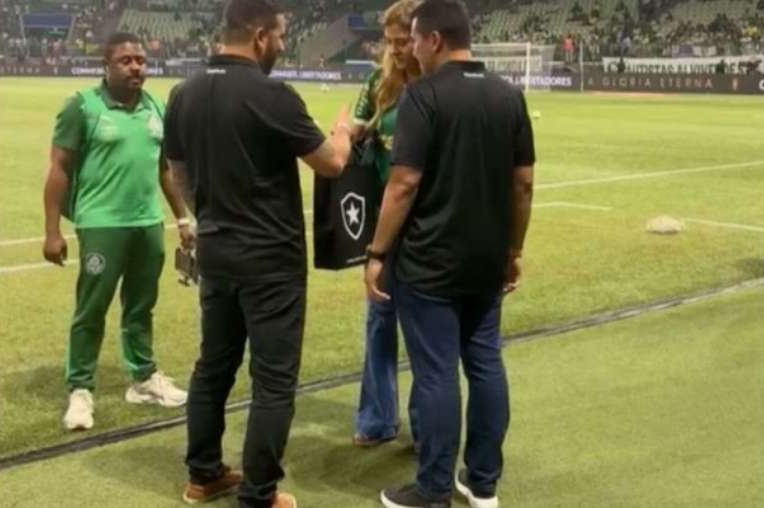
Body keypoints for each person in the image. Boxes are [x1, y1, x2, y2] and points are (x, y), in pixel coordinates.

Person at [163, 1, 351, 506]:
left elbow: (178, 172)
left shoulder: (184, 93)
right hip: (271, 260)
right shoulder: (272, 95)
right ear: (261, 35)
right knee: (273, 380)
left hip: (217, 251)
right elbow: (331, 164)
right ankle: (259, 494)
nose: (284, 44)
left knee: (213, 366)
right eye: (282, 36)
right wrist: (344, 132)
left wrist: (205, 214)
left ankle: (203, 476)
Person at [363, 1, 536, 507]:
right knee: (485, 364)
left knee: (436, 373)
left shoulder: (423, 96)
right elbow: (522, 183)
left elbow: (403, 183)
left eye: (415, 40)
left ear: (435, 39)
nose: (411, 49)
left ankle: (434, 488)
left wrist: (376, 253)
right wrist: (514, 249)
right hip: (487, 260)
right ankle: (482, 484)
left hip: (428, 262)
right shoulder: (510, 96)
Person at [42, 32, 192, 432]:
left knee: (141, 305)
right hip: (101, 224)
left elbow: (165, 170)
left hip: (147, 224)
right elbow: (59, 168)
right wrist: (51, 230)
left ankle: (143, 379)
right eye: (126, 60)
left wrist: (182, 218)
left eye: (140, 60)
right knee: (91, 308)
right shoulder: (82, 106)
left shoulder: (156, 106)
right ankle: (80, 389)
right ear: (106, 66)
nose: (136, 67)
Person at [350, 0, 422, 450]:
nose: (395, 50)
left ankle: (426, 422)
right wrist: (348, 134)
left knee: (424, 329)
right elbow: (356, 131)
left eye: (403, 42)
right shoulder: (378, 83)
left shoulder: (437, 84)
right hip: (384, 224)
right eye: (390, 42)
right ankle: (377, 419)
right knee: (380, 320)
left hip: (427, 225)